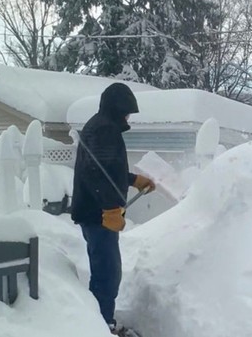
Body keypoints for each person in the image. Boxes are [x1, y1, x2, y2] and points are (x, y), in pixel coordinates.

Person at [71, 83, 155, 335]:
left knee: (104, 272)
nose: (128, 117)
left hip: (96, 214)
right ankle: (102, 326)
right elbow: (94, 173)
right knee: (108, 275)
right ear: (119, 108)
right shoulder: (104, 130)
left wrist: (133, 179)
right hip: (98, 216)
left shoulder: (99, 126)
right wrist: (109, 209)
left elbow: (106, 168)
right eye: (127, 111)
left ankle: (99, 322)